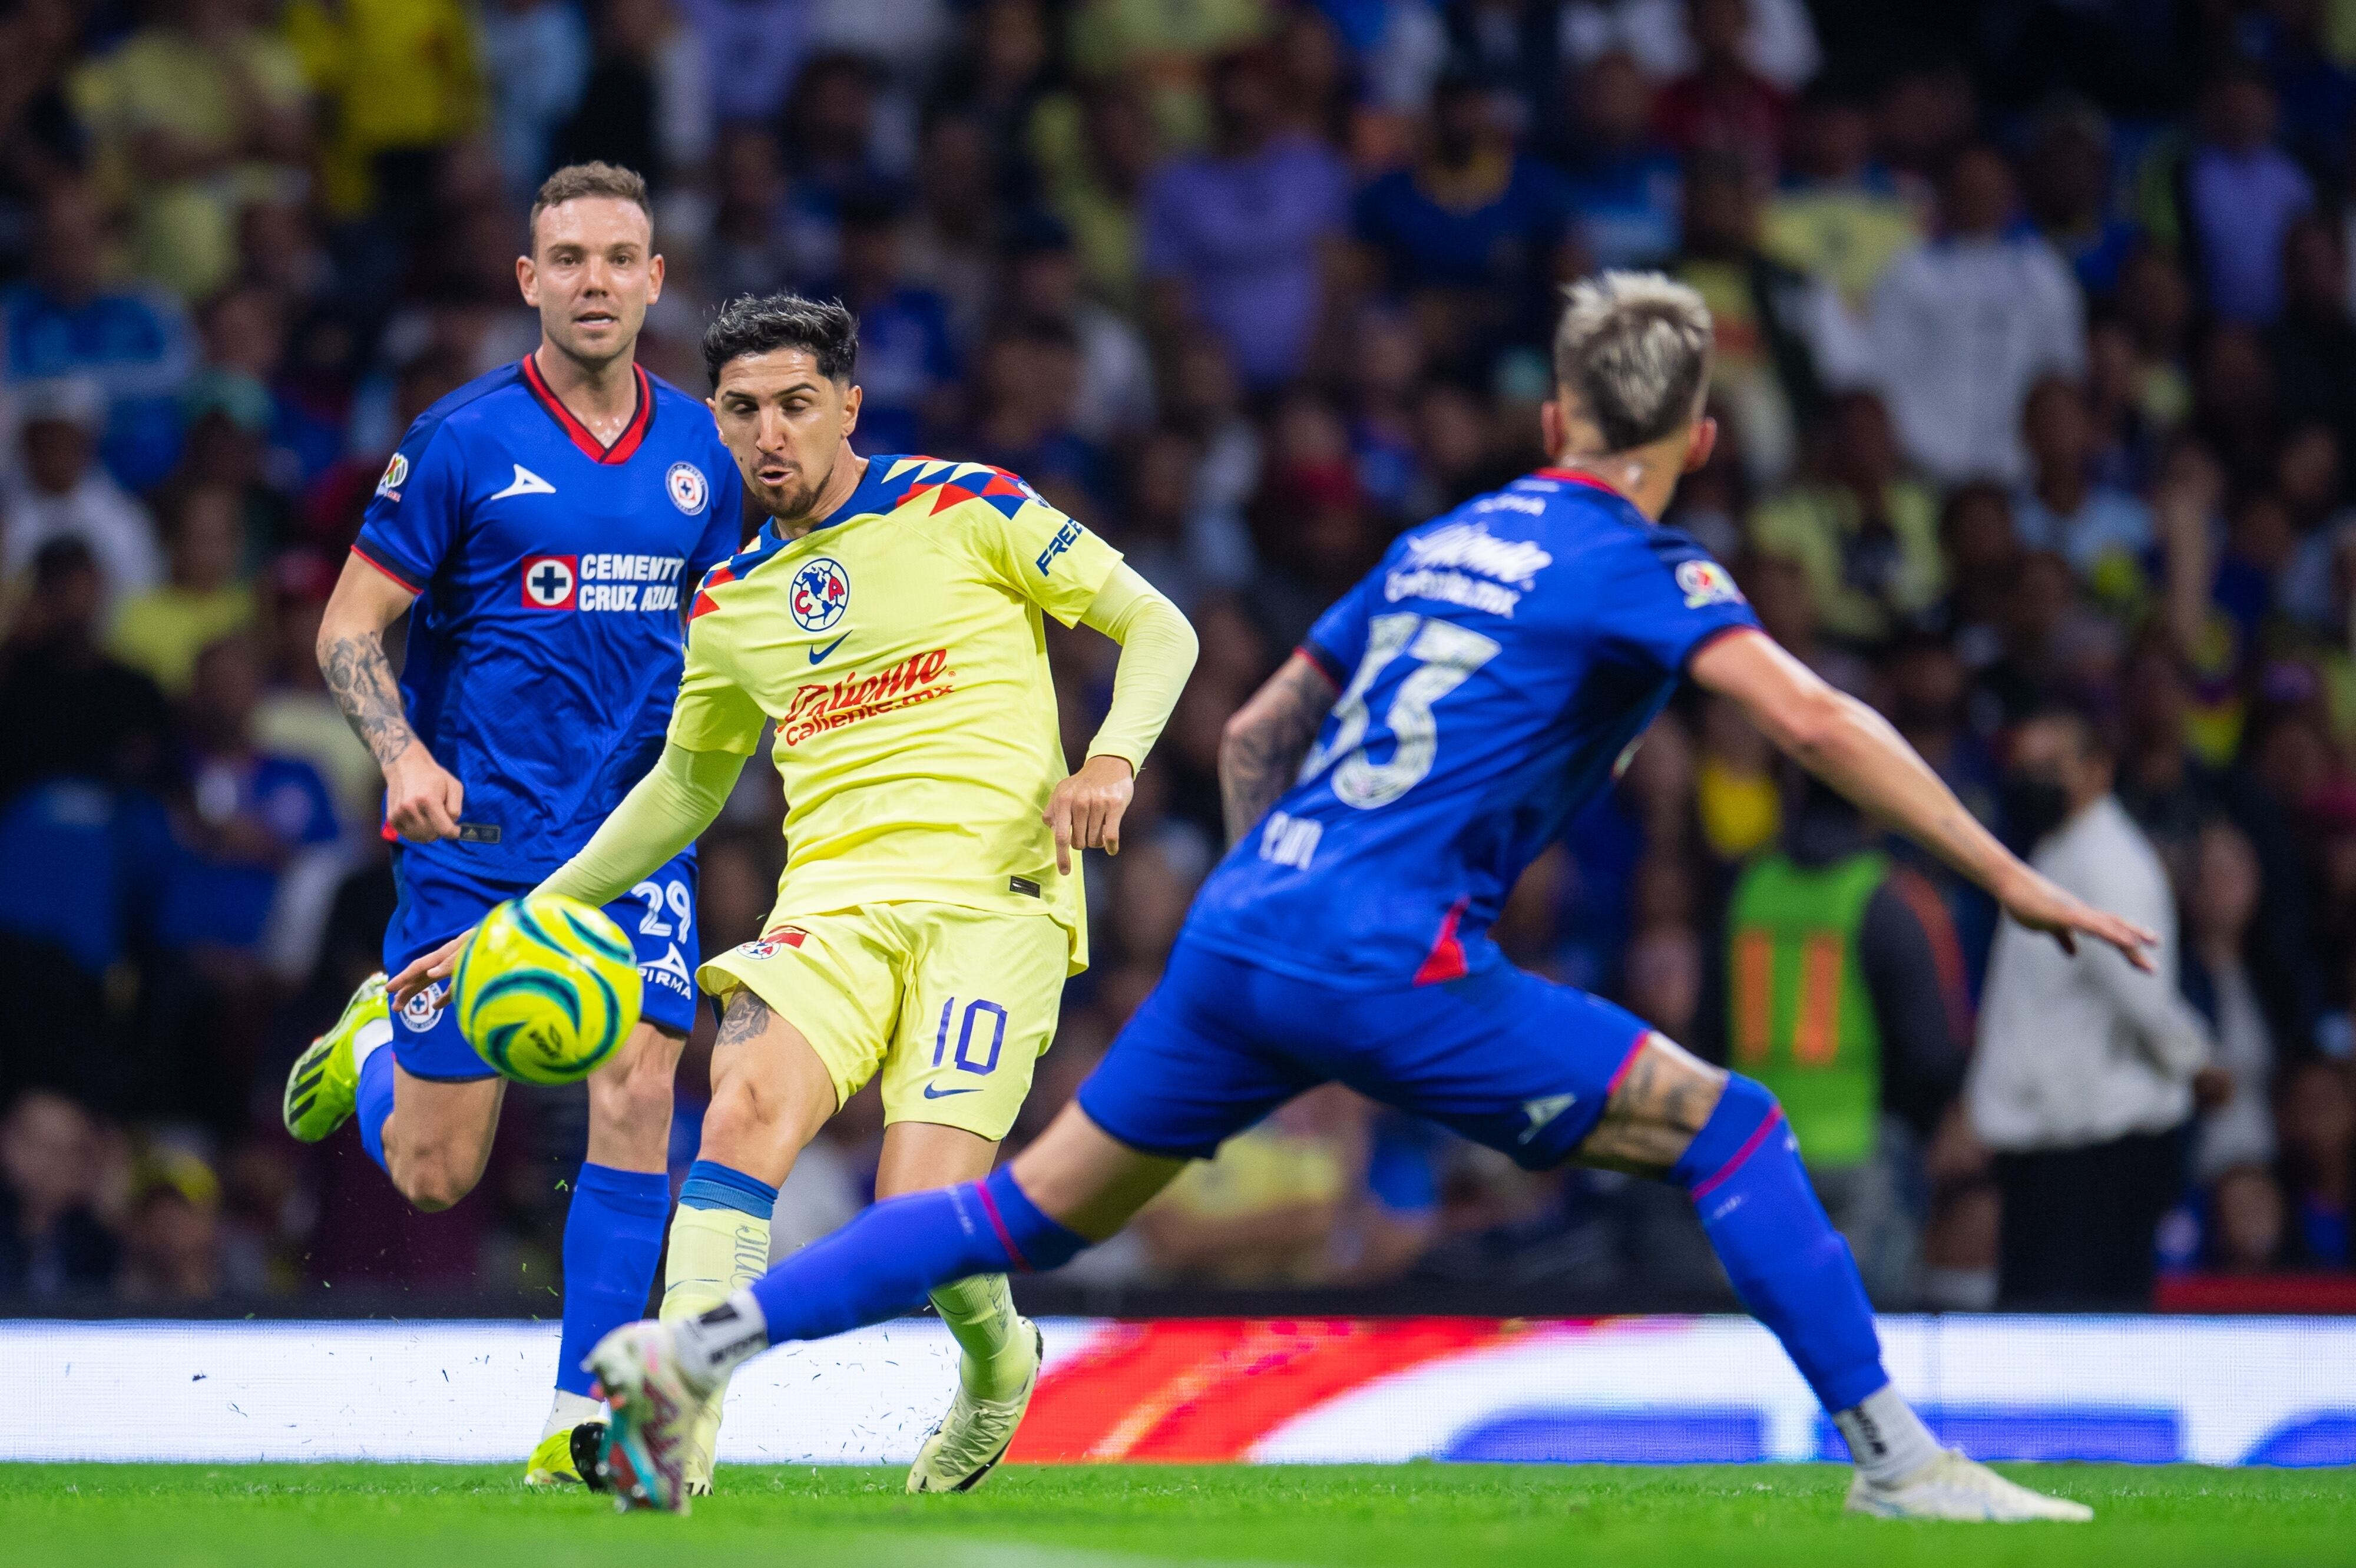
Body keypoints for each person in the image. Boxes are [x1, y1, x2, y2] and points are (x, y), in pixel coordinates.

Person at [560, 273, 2151, 1521]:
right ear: (1705, 444)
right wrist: (2011, 876)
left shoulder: (1440, 536)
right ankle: (1894, 1453)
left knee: (1011, 1214)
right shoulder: (1640, 564)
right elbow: (1811, 720)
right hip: (1392, 952)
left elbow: (1258, 727)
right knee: (1728, 1126)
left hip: (1245, 929)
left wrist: (1270, 907)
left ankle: (685, 1348)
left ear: (1549, 418)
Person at [391, 293, 1196, 1496]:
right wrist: (521, 918)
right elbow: (679, 793)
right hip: (826, 909)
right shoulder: (725, 606)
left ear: (848, 406)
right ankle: (671, 1438)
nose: (771, 434)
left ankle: (997, 1359)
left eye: (796, 405)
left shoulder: (960, 503)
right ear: (715, 422)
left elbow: (1157, 625)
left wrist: (1112, 759)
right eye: (743, 410)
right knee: (736, 1113)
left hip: (992, 899)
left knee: (914, 1212)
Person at [274, 163, 747, 1488]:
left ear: (656, 281)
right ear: (527, 279)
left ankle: (583, 1419)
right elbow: (348, 628)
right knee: (434, 1172)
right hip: (473, 841)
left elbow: (734, 639)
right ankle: (380, 1037)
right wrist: (402, 754)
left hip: (633, 835)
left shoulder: (709, 450)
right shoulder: (460, 441)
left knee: (642, 1084)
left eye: (620, 257)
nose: (594, 280)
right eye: (568, 258)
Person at [1966, 708, 2212, 1308]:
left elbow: (2145, 994)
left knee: (2070, 1335)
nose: (2035, 782)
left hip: (2092, 1148)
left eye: (2054, 768)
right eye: (2026, 769)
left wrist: (2198, 1059)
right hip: (2059, 1144)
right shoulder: (2060, 849)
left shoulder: (2106, 862)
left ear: (2098, 770)